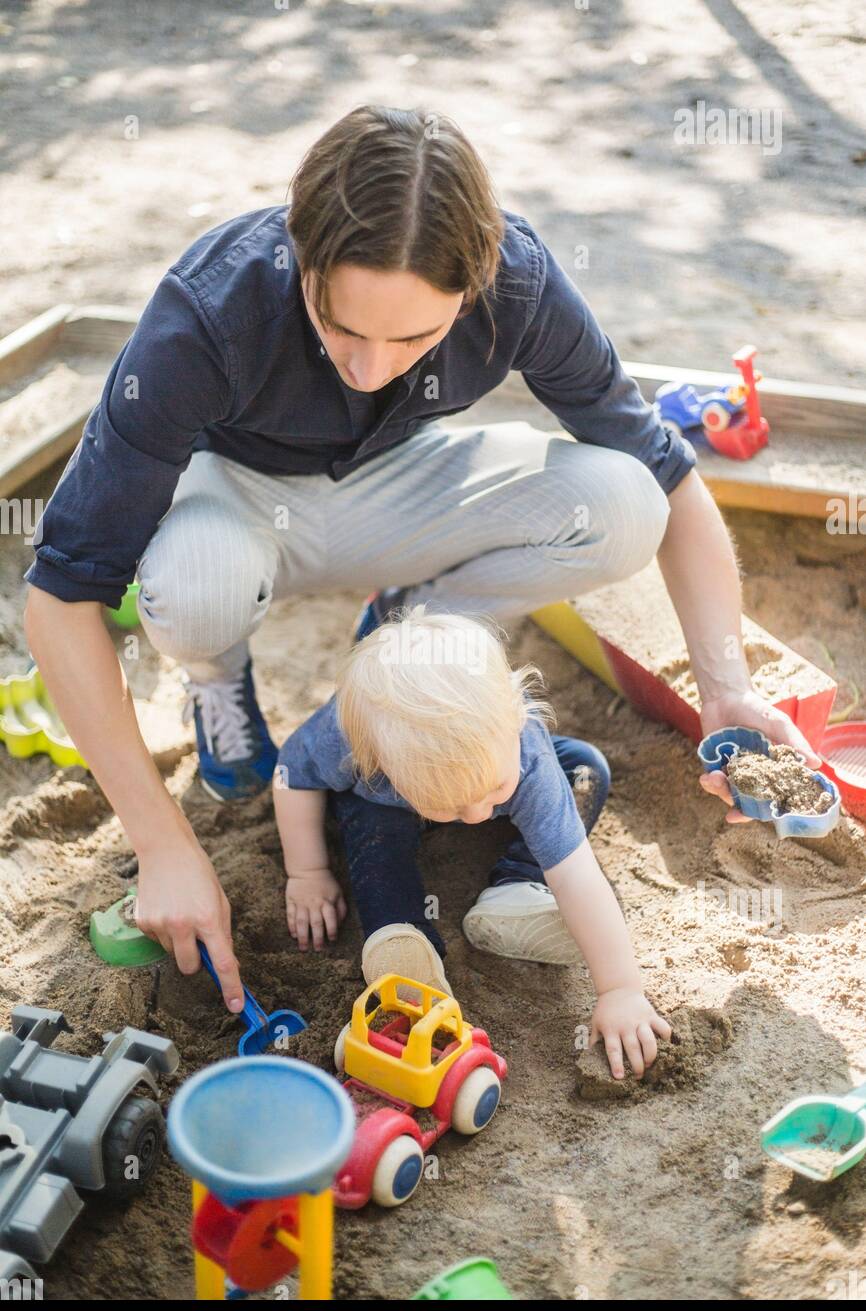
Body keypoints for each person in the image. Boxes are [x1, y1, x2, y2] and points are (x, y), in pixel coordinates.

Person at [23, 105, 819, 1014]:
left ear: (474, 283)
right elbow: (59, 598)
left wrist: (724, 682)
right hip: (242, 500)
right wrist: (163, 844)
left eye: (413, 341)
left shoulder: (518, 282)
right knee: (189, 591)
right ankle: (218, 683)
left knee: (624, 503)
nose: (370, 368)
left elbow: (671, 479)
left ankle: (411, 641)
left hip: (402, 478)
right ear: (302, 254)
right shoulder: (206, 316)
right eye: (343, 328)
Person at [275, 607, 667, 1079]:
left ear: (517, 716)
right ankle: (406, 948)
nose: (478, 815)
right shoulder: (346, 737)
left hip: (503, 768)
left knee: (586, 769)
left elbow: (579, 876)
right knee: (376, 840)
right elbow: (291, 773)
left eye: (493, 792)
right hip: (385, 803)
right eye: (454, 807)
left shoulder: (526, 756)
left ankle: (517, 886)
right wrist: (308, 871)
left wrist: (620, 989)